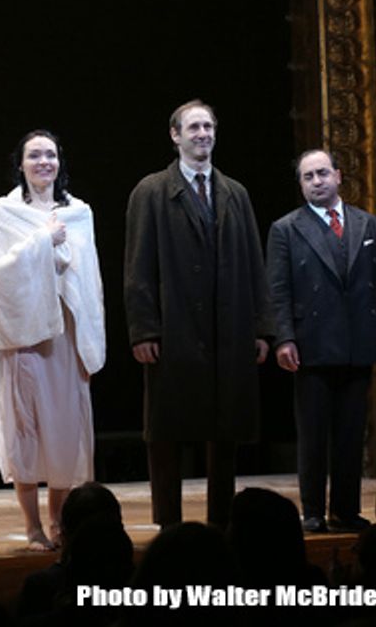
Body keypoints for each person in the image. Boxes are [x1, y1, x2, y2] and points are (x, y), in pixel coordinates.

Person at [123, 99, 274, 528]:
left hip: (228, 328)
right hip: (175, 329)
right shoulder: (151, 191)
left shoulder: (234, 193)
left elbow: (254, 266)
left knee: (224, 431)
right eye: (193, 127)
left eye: (208, 126)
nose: (202, 134)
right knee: (168, 431)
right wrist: (143, 330)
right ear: (175, 136)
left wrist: (262, 328)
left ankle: (221, 523)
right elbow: (137, 268)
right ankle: (168, 524)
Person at [0, 130, 105, 551]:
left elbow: (89, 277)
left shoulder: (79, 212)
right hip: (26, 334)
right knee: (27, 429)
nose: (43, 162)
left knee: (64, 430)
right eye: (34, 155)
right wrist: (42, 242)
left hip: (66, 334)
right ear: (20, 163)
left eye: (50, 154)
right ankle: (33, 524)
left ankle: (58, 520)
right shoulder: (5, 212)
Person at [265, 150, 376, 533]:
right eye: (308, 177)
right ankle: (313, 512)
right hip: (312, 345)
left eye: (322, 173)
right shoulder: (286, 229)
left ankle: (346, 509)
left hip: (357, 344)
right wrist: (284, 338)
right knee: (314, 436)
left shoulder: (365, 224)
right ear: (301, 184)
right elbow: (278, 290)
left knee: (352, 435)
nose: (317, 181)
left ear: (338, 175)